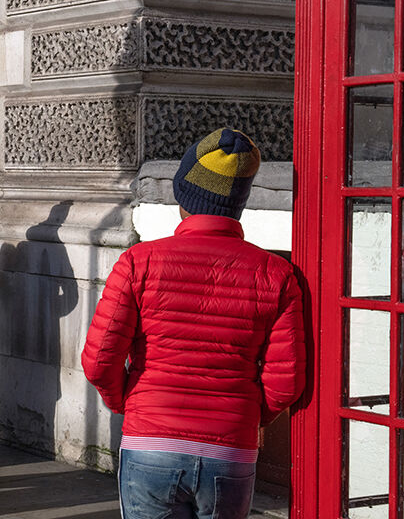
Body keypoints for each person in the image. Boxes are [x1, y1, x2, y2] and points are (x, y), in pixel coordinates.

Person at [81, 129, 307, 519]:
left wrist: (127, 401)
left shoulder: (138, 262)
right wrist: (246, 414)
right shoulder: (277, 274)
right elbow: (286, 382)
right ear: (240, 202)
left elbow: (99, 360)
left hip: (150, 439)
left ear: (184, 194)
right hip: (230, 449)